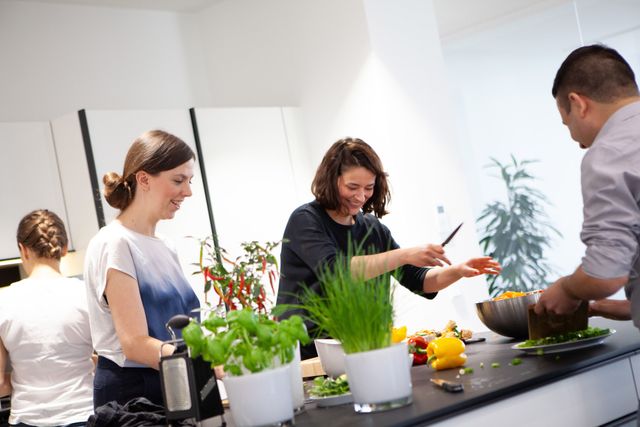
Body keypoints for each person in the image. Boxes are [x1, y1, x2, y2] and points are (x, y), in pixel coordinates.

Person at [277, 137, 501, 359]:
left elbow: (419, 281)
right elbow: (337, 272)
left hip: (364, 349)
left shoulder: (372, 229)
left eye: (369, 188)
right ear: (331, 180)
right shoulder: (306, 220)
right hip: (312, 355)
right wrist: (404, 255)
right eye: (352, 187)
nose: (361, 196)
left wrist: (457, 271)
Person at [84, 130, 200, 408]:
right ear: (144, 179)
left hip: (174, 378)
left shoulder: (165, 246)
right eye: (178, 180)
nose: (188, 191)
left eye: (189, 181)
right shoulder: (115, 243)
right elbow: (135, 343)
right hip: (132, 392)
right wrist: (205, 365)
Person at [535, 45, 640, 324]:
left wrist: (567, 289)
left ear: (578, 103)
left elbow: (606, 272)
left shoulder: (609, 153)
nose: (580, 143)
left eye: (567, 124)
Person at [0, 209, 93, 426]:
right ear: (64, 247)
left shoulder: (4, 301)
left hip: (27, 418)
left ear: (23, 250)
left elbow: (0, 384)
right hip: (83, 414)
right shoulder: (84, 294)